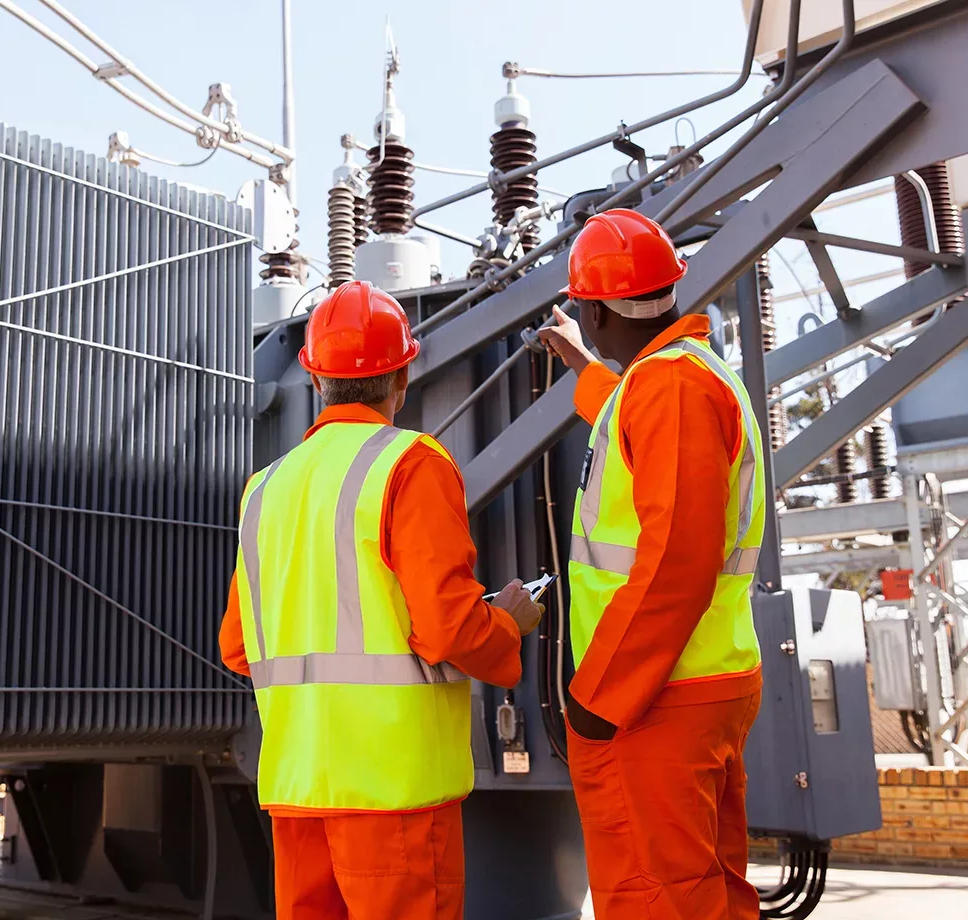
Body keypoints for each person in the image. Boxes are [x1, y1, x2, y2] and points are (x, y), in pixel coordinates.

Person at [217, 280, 544, 920]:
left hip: (298, 789)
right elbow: (448, 629)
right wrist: (507, 623)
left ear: (314, 379)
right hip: (393, 794)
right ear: (403, 375)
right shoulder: (411, 464)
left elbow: (237, 647)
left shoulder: (265, 489)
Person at [537, 209, 768, 920]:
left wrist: (597, 696)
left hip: (656, 694)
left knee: (657, 897)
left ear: (594, 306)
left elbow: (678, 559)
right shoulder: (677, 379)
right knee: (705, 893)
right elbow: (634, 424)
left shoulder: (672, 386)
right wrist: (582, 363)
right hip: (696, 678)